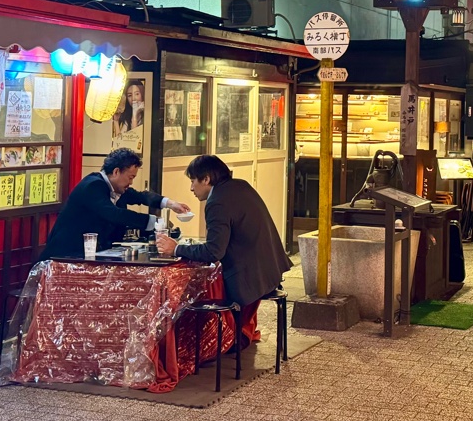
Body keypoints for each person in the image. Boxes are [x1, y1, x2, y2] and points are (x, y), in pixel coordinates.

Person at [155, 154, 291, 345]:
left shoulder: (217, 202)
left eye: (193, 181)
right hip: (270, 270)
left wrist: (176, 249)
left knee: (198, 292)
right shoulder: (240, 186)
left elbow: (213, 252)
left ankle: (211, 342)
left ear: (206, 179)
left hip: (250, 278)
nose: (191, 188)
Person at [40, 147, 190, 260]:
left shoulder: (117, 187)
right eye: (130, 177)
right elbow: (114, 214)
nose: (131, 182)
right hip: (65, 255)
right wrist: (153, 222)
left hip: (89, 254)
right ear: (116, 171)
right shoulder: (93, 186)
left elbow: (140, 196)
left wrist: (171, 204)